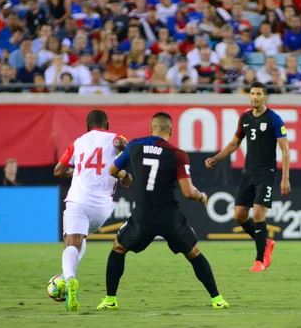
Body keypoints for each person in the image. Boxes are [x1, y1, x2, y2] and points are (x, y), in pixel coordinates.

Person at [97, 112, 229, 311]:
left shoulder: (134, 145)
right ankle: (217, 299)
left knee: (118, 248)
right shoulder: (177, 154)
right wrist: (201, 196)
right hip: (170, 216)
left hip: (143, 216)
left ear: (150, 128)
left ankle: (110, 300)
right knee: (194, 254)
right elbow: (187, 192)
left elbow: (112, 170)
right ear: (171, 131)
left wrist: (127, 175)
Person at [205, 82, 291, 272]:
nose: (255, 97)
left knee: (259, 212)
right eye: (252, 93)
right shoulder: (244, 117)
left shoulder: (274, 119)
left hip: (266, 172)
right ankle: (266, 243)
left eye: (259, 94)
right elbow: (234, 143)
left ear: (265, 97)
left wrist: (285, 178)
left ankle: (260, 260)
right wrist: (216, 158)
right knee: (239, 215)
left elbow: (285, 149)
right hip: (248, 172)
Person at [51, 110, 128, 312]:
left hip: (78, 200)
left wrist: (75, 169)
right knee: (81, 239)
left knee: (72, 243)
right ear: (107, 124)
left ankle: (68, 279)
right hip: (102, 208)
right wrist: (123, 171)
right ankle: (65, 277)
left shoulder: (77, 142)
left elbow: (58, 171)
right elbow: (122, 144)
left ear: (87, 125)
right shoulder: (114, 138)